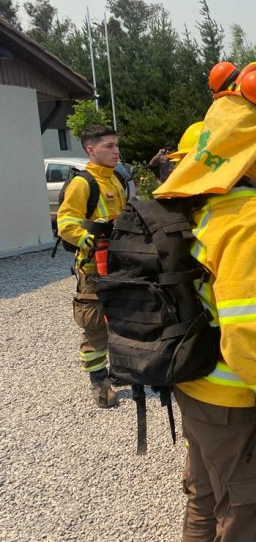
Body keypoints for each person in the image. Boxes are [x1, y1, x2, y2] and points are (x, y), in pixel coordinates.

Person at [153, 61, 256, 540]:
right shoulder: (251, 214)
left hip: (193, 385)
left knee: (204, 499)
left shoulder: (191, 195)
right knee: (253, 516)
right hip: (237, 400)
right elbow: (248, 337)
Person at [57, 124, 126, 408]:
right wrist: (90, 241)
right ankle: (99, 383)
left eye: (116, 145)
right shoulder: (83, 183)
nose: (115, 151)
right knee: (95, 325)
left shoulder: (117, 179)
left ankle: (122, 370)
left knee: (122, 320)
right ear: (90, 149)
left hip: (120, 265)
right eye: (108, 146)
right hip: (93, 270)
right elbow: (65, 224)